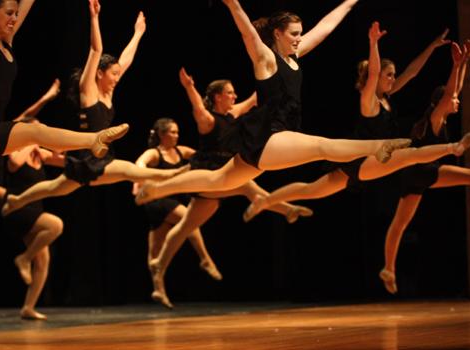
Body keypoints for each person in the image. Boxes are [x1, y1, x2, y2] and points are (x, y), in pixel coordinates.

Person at [135, 0, 412, 206]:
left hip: (268, 141)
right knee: (321, 146)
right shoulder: (267, 60)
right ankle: (379, 146)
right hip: (271, 136)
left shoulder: (295, 56)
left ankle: (158, 188)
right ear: (277, 33)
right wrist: (233, 5)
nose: (299, 38)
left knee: (217, 180)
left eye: (300, 33)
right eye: (293, 34)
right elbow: (247, 34)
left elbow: (324, 28)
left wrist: (349, 3)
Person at [242, 22, 470, 222]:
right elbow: (375, 73)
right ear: (375, 79)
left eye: (392, 75)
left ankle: (265, 200)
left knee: (311, 190)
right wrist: (373, 44)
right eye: (389, 75)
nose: (392, 79)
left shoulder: (387, 98)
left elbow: (411, 72)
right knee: (410, 154)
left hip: (356, 165)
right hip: (365, 159)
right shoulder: (369, 100)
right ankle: (454, 148)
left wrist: (432, 47)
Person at [143, 68, 314, 308]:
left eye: (234, 93)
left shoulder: (233, 113)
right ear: (217, 97)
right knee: (247, 186)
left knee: (185, 227)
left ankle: (159, 265)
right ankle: (285, 209)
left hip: (221, 181)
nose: (234, 97)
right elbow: (198, 108)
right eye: (230, 93)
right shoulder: (208, 120)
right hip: (209, 177)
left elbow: (256, 97)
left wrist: (281, 73)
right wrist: (189, 87)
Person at [0, 0, 186, 216]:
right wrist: (94, 18)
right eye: (113, 74)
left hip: (90, 158)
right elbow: (96, 50)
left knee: (54, 188)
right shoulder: (88, 90)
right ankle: (176, 175)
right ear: (100, 73)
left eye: (118, 74)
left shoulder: (109, 92)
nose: (118, 77)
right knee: (130, 170)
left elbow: (125, 61)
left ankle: (17, 200)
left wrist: (138, 34)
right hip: (90, 159)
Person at [379, 38, 470, 295]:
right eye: (452, 100)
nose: (457, 101)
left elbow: (456, 90)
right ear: (442, 101)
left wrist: (463, 64)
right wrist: (456, 66)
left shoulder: (436, 117)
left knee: (399, 224)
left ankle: (388, 268)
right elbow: (452, 91)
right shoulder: (436, 115)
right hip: (422, 170)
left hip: (413, 174)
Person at [0, 0, 130, 184]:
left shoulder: (6, 42)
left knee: (33, 132)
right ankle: (94, 139)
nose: (14, 18)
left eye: (16, 14)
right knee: (34, 131)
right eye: (9, 13)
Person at [0, 78, 61, 310]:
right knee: (12, 200)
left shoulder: (4, 133)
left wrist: (47, 98)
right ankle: (18, 203)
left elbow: (28, 120)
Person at [135, 118, 223, 295]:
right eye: (172, 132)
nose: (176, 135)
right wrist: (140, 179)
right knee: (188, 219)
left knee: (156, 249)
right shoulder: (154, 153)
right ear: (161, 134)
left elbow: (202, 156)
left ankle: (158, 289)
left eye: (177, 132)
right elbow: (140, 163)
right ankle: (205, 259)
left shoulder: (180, 151)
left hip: (171, 202)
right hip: (157, 201)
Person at [2, 115, 65, 320]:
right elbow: (14, 163)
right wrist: (31, 143)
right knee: (56, 225)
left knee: (43, 260)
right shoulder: (17, 152)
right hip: (16, 209)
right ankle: (24, 258)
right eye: (37, 131)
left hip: (34, 211)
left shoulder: (40, 155)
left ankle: (28, 307)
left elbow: (64, 160)